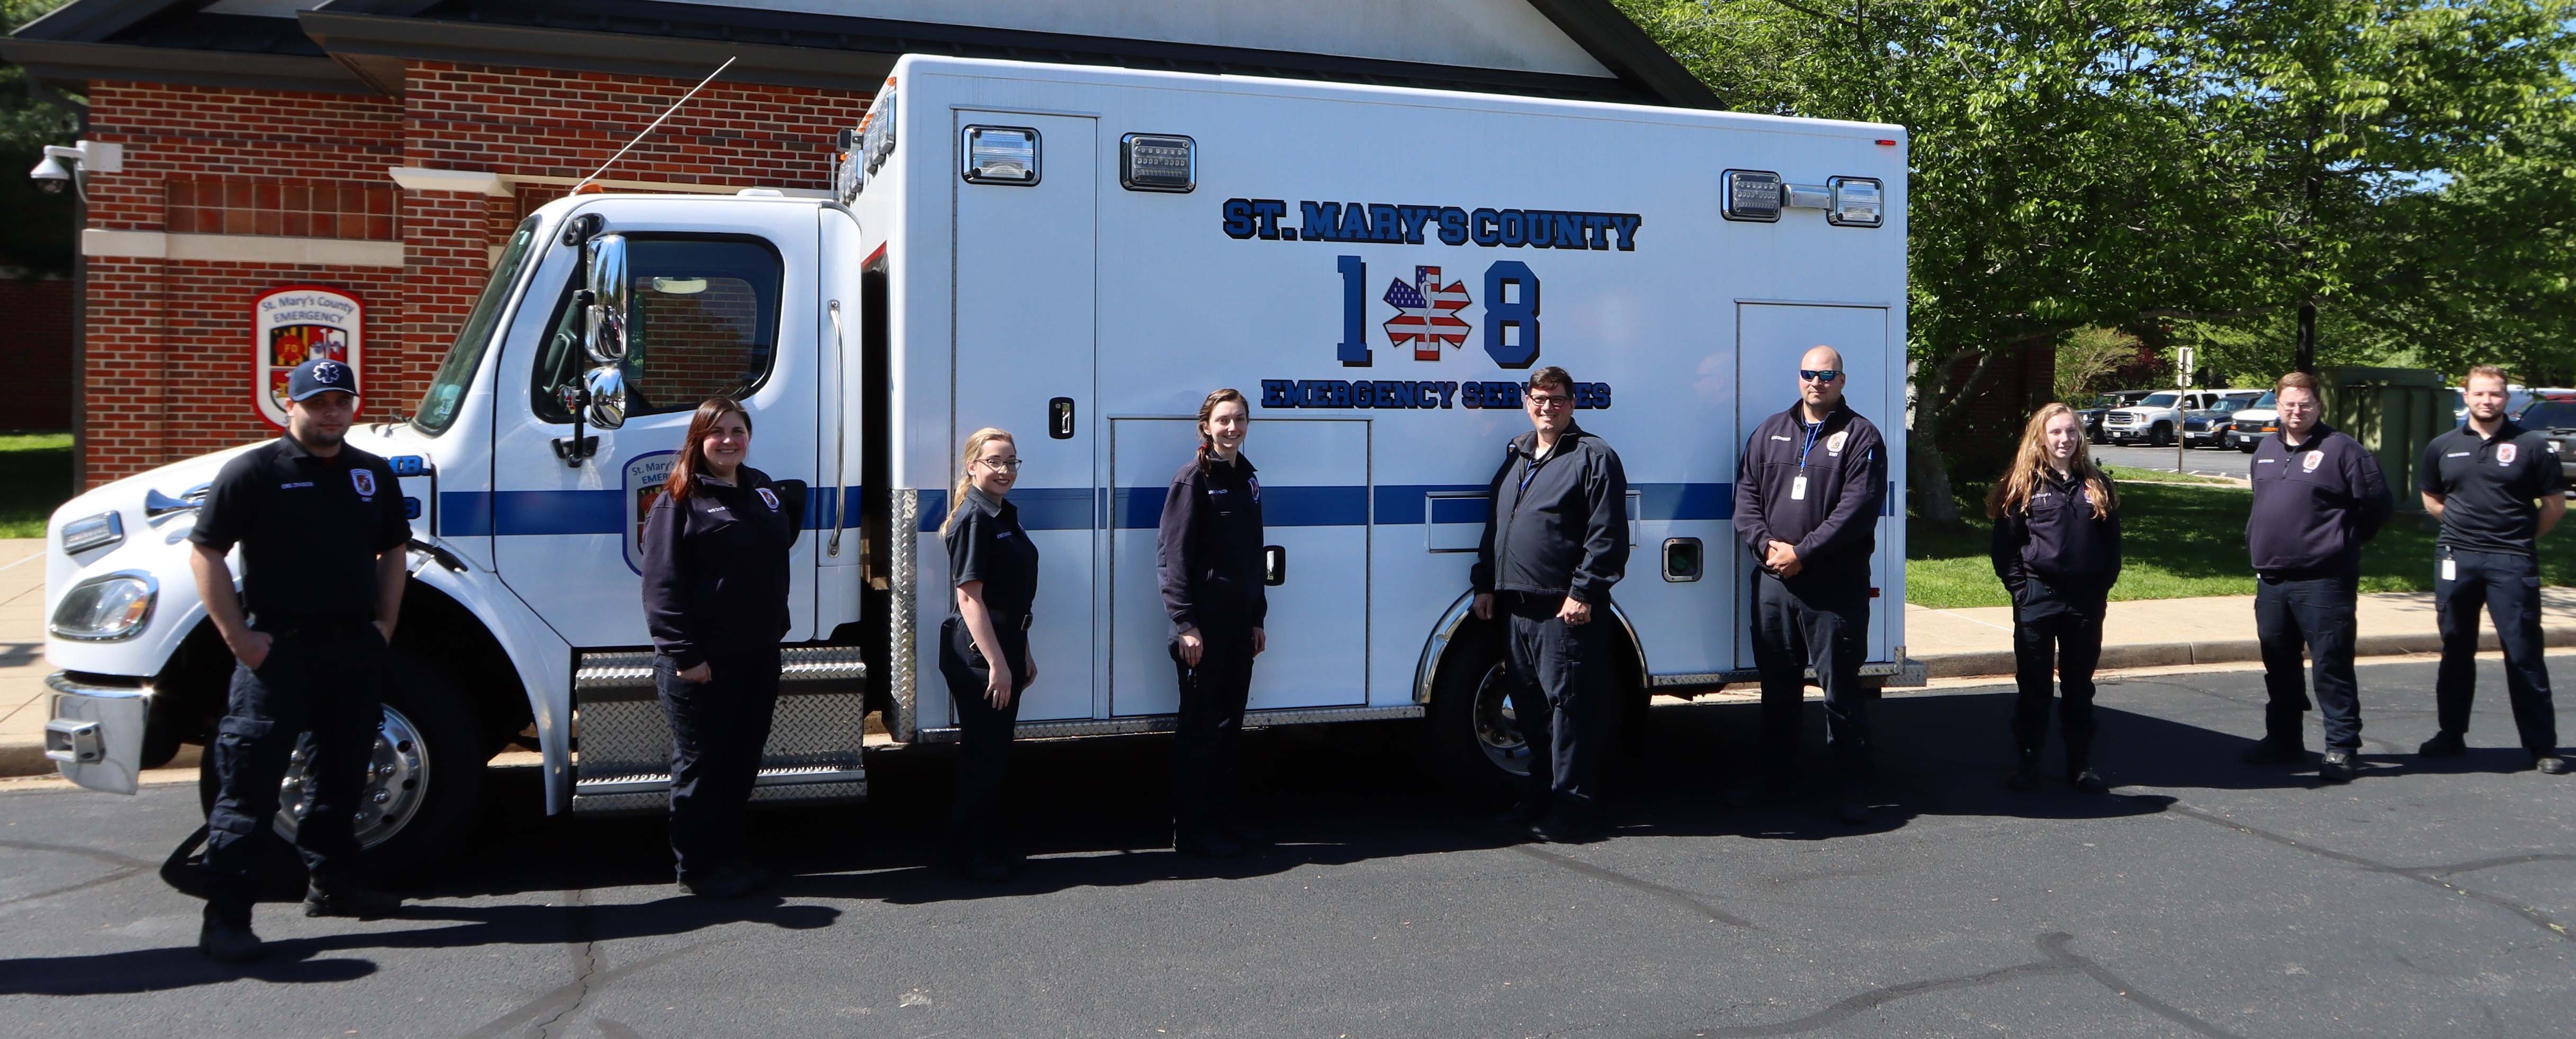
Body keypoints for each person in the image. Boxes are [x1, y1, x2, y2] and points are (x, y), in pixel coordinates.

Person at [187, 357, 410, 963]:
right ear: (291, 406)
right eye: (318, 402)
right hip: (276, 651)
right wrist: (241, 640)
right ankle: (227, 918)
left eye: (341, 401)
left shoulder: (371, 474)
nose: (331, 411)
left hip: (351, 648)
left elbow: (394, 550)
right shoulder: (255, 471)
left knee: (342, 777)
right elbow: (205, 551)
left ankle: (334, 886)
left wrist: (383, 626)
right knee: (249, 789)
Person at [639, 397, 805, 898]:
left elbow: (776, 545)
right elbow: (661, 584)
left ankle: (729, 859)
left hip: (757, 653)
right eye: (718, 432)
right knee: (702, 765)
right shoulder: (679, 497)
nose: (729, 439)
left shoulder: (761, 488)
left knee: (740, 762)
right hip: (703, 662)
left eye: (738, 430)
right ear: (699, 439)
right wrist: (685, 655)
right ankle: (697, 868)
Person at [1471, 366, 1630, 843]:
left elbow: (1607, 534)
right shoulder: (1518, 454)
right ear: (1527, 401)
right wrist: (1484, 584)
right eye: (1539, 398)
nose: (1547, 407)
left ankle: (1574, 809)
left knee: (1570, 711)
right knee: (1530, 709)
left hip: (1563, 609)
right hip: (1515, 607)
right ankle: (1538, 797)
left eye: (1557, 399)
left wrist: (1583, 591)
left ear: (1572, 404)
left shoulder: (1592, 456)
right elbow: (1496, 526)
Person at [1733, 345, 1889, 824]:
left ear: (1842, 380)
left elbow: (1856, 511)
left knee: (1840, 691)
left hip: (1833, 587)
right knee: (1777, 690)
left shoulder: (1862, 436)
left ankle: (1853, 788)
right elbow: (1745, 496)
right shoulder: (1769, 432)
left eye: (1826, 374)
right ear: (1798, 378)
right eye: (1808, 373)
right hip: (1774, 584)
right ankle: (1776, 782)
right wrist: (1767, 548)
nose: (1815, 382)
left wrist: (1803, 552)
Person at [2418, 366, 2568, 774]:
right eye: (2480, 394)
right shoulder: (2442, 446)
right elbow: (2430, 495)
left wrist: (2517, 540)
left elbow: (2554, 506)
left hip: (2511, 560)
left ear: (2506, 399)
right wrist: (2458, 527)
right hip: (2456, 558)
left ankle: (2541, 746)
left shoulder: (2531, 446)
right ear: (2465, 396)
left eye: (2496, 395)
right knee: (2455, 647)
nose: (2488, 401)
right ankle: (2450, 734)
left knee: (2522, 651)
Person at [2243, 372, 2392, 783]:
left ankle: (2341, 746)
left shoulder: (2342, 449)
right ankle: (2283, 740)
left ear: (2318, 405)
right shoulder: (2267, 449)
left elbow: (2377, 502)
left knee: (2331, 664)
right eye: (2289, 404)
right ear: (2277, 405)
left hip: (2324, 580)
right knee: (2279, 664)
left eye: (2305, 403)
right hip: (2272, 579)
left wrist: (2344, 540)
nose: (2297, 410)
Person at [1987, 404, 2123, 793]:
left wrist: (2100, 587)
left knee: (2079, 687)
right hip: (2038, 599)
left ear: (2079, 436)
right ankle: (2028, 762)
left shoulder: (2097, 484)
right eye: (2055, 433)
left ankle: (2080, 765)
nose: (2064, 440)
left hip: (2084, 603)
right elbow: (2004, 550)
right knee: (2034, 687)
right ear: (2040, 437)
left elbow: (2112, 547)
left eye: (2070, 432)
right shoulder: (2022, 485)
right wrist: (2021, 590)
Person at [1158, 389, 1269, 857]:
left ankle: (1224, 822)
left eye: (1239, 419)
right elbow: (1172, 557)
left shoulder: (1247, 478)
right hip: (1201, 630)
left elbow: (1251, 554)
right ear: (1206, 426)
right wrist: (1185, 623)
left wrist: (1257, 618)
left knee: (1229, 730)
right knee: (1199, 733)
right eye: (1223, 420)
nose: (1232, 428)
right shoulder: (1192, 480)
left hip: (1238, 626)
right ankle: (1193, 830)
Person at [939, 428, 1042, 880]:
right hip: (980, 655)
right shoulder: (975, 517)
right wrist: (998, 664)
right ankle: (967, 855)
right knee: (983, 755)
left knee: (994, 754)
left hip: (1006, 643)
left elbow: (1014, 595)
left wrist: (1024, 651)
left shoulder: (1002, 513)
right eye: (994, 461)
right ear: (972, 466)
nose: (1004, 470)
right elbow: (969, 598)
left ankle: (989, 846)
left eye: (1011, 462)